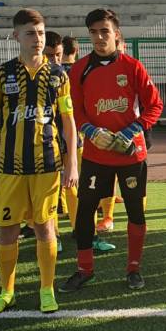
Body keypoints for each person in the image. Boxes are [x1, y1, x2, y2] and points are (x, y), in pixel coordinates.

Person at [0, 9, 77, 315]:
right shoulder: (2, 74)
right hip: (10, 167)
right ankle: (7, 291)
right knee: (7, 231)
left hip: (47, 164)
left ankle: (46, 289)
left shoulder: (59, 75)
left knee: (45, 227)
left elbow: (69, 122)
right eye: (31, 33)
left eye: (41, 33)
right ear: (16, 36)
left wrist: (72, 164)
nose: (38, 39)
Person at [62, 8, 164, 293]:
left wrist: (133, 130)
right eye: (93, 32)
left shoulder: (133, 67)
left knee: (135, 212)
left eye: (104, 31)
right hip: (95, 155)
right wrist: (91, 131)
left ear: (116, 35)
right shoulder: (80, 69)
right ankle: (85, 269)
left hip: (131, 154)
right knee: (84, 213)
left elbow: (155, 105)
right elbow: (76, 111)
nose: (98, 37)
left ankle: (133, 268)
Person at [57, 35, 117, 255]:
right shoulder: (83, 70)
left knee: (69, 190)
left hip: (58, 139)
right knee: (87, 188)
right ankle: (86, 231)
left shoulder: (72, 71)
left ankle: (68, 234)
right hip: (74, 139)